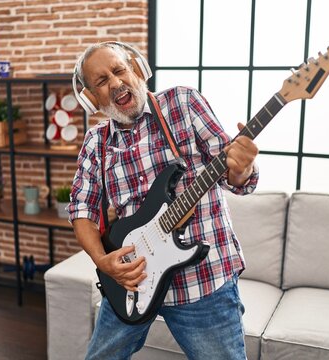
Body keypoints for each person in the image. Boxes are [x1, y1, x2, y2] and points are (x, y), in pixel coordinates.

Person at [67, 41, 259, 360]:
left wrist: (243, 168)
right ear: (92, 99)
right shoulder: (95, 142)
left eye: (119, 70)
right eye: (101, 81)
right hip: (130, 282)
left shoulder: (182, 103)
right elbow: (81, 210)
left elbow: (236, 179)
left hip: (203, 283)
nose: (115, 83)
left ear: (138, 70)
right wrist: (103, 262)